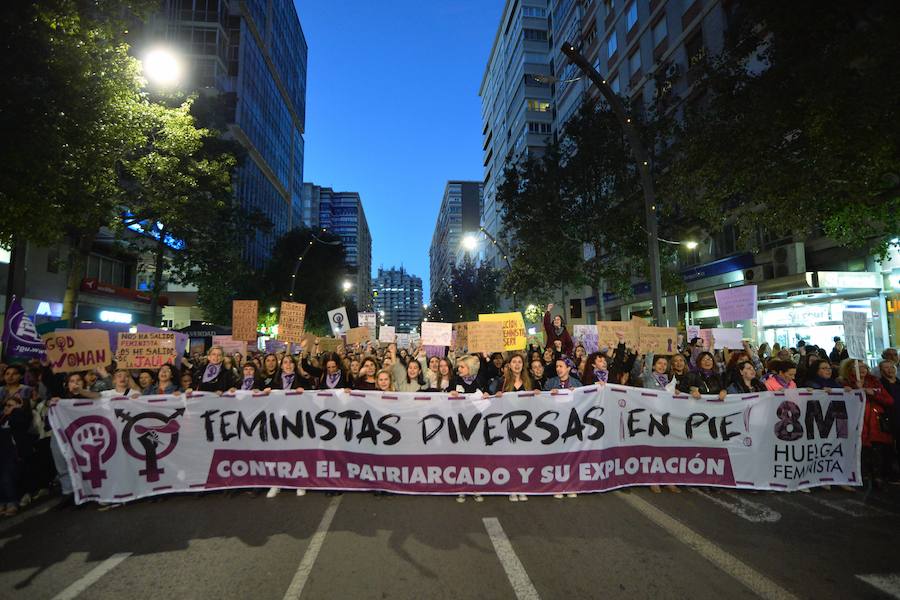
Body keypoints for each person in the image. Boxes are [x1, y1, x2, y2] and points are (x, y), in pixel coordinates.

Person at [840, 359, 895, 486]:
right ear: (850, 370)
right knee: (861, 450)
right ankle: (862, 476)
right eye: (858, 368)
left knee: (877, 450)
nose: (862, 369)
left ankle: (877, 476)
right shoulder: (846, 383)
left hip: (874, 421)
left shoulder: (874, 382)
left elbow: (889, 401)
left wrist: (872, 392)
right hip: (858, 421)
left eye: (864, 366)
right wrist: (849, 391)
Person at [50, 372, 100, 509]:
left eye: (78, 380)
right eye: (72, 381)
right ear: (67, 384)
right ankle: (68, 493)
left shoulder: (89, 394)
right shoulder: (62, 399)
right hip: (64, 434)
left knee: (86, 463)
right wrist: (54, 403)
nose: (75, 383)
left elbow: (98, 397)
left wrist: (81, 391)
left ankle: (89, 493)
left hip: (85, 435)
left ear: (84, 383)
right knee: (61, 461)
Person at [0, 395, 32, 516]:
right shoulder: (3, 419)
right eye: (5, 406)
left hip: (14, 452)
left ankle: (12, 502)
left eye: (10, 405)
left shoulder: (20, 415)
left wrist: (16, 410)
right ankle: (3, 501)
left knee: (7, 477)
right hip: (3, 452)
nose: (7, 408)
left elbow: (20, 424)